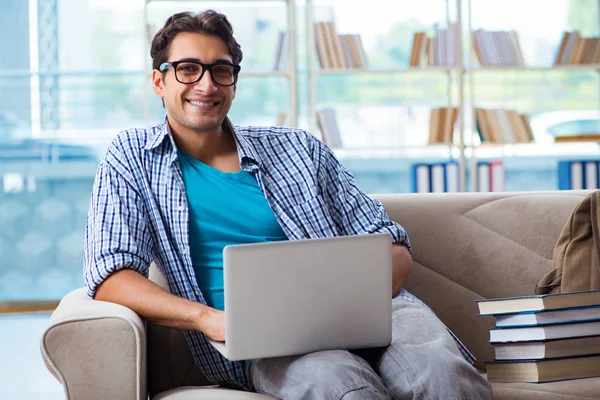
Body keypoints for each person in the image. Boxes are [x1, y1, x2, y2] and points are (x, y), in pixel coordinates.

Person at [84, 9, 492, 400]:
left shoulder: (299, 148)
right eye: (188, 69)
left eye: (221, 70)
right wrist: (208, 319)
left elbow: (392, 246)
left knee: (443, 375)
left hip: (378, 314)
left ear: (234, 82)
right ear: (159, 81)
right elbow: (110, 275)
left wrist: (346, 310)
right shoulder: (133, 157)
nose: (206, 85)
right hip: (261, 339)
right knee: (341, 387)